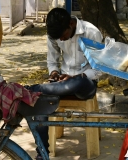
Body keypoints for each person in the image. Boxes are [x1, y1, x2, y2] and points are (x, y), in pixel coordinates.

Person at [25, 7, 103, 160]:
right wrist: (54, 73)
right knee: (41, 101)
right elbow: (52, 60)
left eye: (62, 36)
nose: (60, 40)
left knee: (77, 81)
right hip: (61, 84)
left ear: (71, 25)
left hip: (85, 83)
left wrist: (78, 76)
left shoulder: (91, 32)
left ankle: (34, 89)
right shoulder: (54, 34)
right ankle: (42, 152)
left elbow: (99, 69)